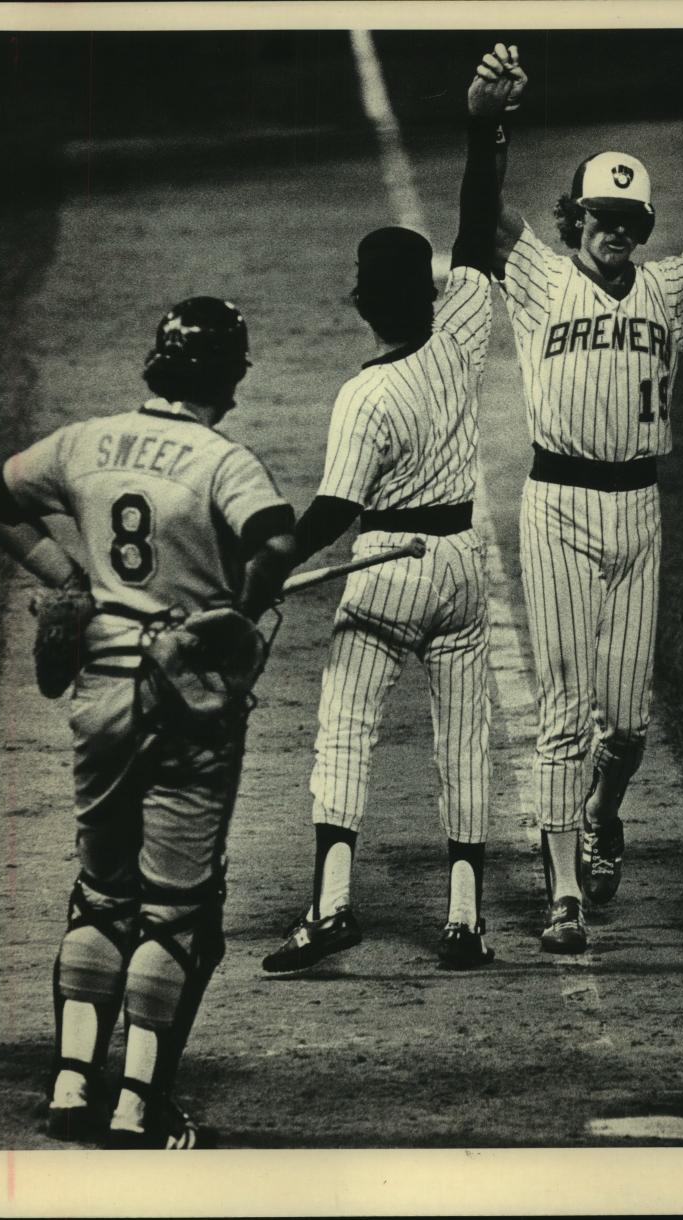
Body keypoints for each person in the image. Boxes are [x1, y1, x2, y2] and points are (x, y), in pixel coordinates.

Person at [0, 297, 296, 1149]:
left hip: (100, 694)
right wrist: (239, 609)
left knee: (103, 892)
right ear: (227, 376)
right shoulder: (222, 461)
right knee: (177, 913)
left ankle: (71, 1087)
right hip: (185, 701)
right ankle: (138, 1107)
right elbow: (277, 539)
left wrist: (67, 580)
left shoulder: (84, 442)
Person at [260, 47, 519, 978]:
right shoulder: (460, 328)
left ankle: (330, 910)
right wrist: (485, 127)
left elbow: (330, 512)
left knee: (346, 726)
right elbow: (477, 229)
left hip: (386, 573)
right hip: (460, 570)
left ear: (365, 301)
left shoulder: (363, 397)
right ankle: (463, 921)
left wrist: (263, 570)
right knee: (464, 737)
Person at [483, 46, 683, 952]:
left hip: (639, 511)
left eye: (629, 219)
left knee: (632, 724)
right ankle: (565, 893)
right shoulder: (539, 278)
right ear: (574, 217)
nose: (614, 231)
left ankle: (604, 817)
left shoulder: (670, 288)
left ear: (644, 225)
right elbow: (479, 217)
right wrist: (486, 126)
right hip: (559, 508)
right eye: (600, 217)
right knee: (565, 711)